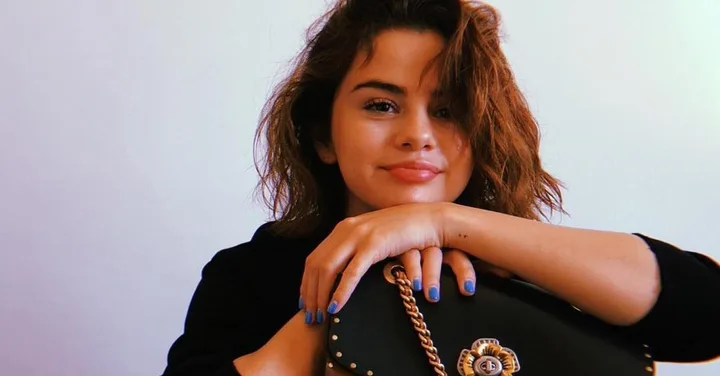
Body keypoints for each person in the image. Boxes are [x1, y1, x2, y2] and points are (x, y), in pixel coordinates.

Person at [160, 0, 720, 375]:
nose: (418, 136)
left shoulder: (527, 266)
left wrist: (445, 223)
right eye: (381, 105)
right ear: (322, 137)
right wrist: (340, 317)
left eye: (450, 110)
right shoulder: (249, 276)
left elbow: (705, 316)